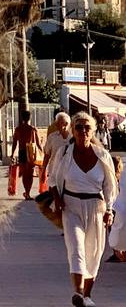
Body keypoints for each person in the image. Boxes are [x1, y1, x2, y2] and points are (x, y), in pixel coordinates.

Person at [49, 112, 118, 307]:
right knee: (76, 248)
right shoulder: (64, 153)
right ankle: (78, 292)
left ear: (93, 131)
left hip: (96, 207)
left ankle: (86, 296)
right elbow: (52, 178)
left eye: (87, 127)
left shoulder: (102, 155)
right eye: (78, 127)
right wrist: (57, 199)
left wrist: (110, 210)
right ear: (73, 130)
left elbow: (110, 186)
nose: (83, 131)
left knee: (94, 252)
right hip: (71, 206)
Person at [10, 110, 42, 200]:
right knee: (30, 174)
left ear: (22, 118)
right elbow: (39, 143)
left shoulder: (18, 129)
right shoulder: (33, 129)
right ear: (29, 118)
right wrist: (42, 153)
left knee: (24, 174)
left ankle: (27, 193)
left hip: (22, 152)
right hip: (31, 152)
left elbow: (14, 143)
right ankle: (28, 192)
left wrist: (12, 154)